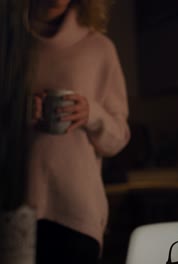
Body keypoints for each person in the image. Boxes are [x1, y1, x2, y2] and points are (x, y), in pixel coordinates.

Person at [26, 0, 130, 263]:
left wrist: (91, 114)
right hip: (15, 207)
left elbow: (118, 137)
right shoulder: (11, 46)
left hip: (75, 210)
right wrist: (17, 113)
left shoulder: (99, 48)